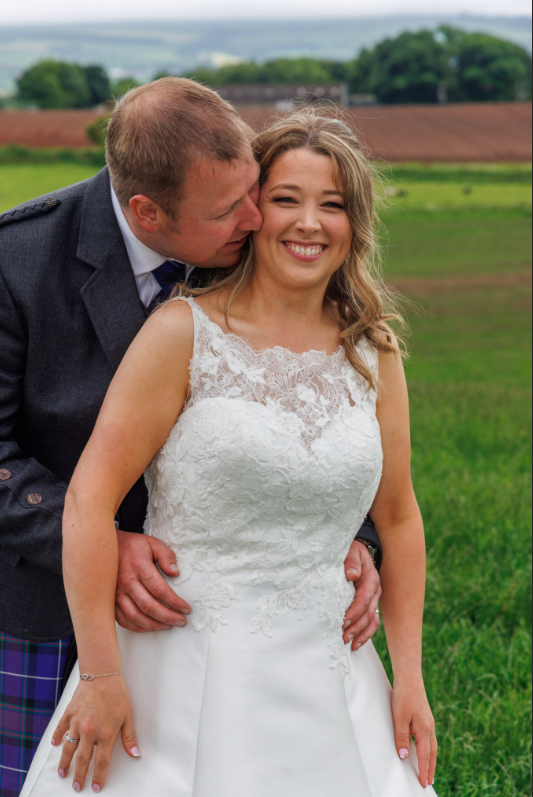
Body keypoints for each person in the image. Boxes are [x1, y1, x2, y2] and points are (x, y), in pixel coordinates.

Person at [20, 108, 438, 796]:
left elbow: (397, 516)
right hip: (179, 671)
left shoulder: (374, 351)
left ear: (353, 223)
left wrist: (410, 680)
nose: (309, 222)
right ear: (251, 211)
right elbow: (90, 500)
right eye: (285, 199)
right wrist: (99, 674)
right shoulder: (181, 332)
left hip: (332, 674)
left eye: (331, 204)